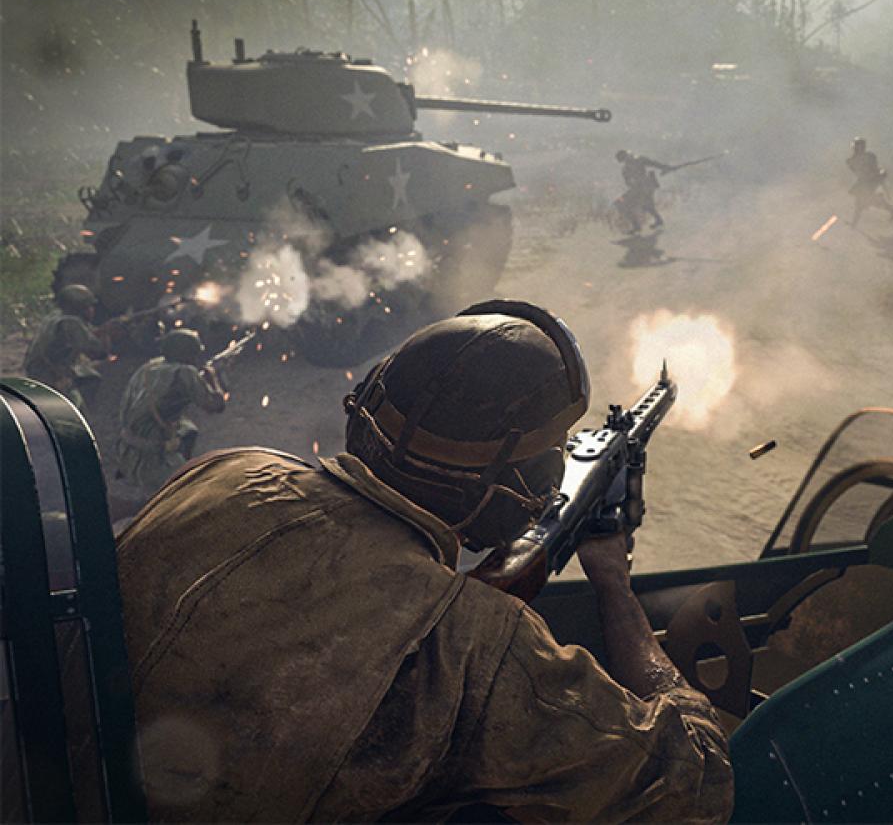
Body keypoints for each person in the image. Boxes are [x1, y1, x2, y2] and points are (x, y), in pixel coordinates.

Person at [115, 301, 733, 822]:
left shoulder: (227, 470)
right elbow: (698, 783)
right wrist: (613, 582)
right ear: (519, 489)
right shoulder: (475, 641)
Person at [112, 328, 226, 492]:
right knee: (189, 490)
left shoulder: (149, 367)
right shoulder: (185, 372)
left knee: (188, 429)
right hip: (152, 453)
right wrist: (213, 378)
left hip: (128, 445)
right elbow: (216, 406)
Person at [22, 283, 106, 406]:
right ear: (79, 308)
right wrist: (107, 336)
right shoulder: (71, 322)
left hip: (37, 370)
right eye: (88, 306)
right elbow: (97, 352)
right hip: (51, 375)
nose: (92, 310)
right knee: (91, 381)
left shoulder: (54, 317)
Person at [846, 137, 893, 226]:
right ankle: (891, 209)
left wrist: (878, 177)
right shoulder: (851, 160)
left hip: (871, 180)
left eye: (861, 146)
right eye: (857, 146)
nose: (859, 148)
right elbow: (856, 171)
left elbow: (874, 168)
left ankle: (854, 224)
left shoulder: (870, 156)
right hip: (864, 181)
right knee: (864, 201)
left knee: (863, 200)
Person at [615, 149, 669, 233]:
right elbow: (628, 182)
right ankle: (641, 225)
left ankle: (640, 225)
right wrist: (632, 184)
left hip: (646, 186)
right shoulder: (625, 169)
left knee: (645, 204)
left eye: (625, 157)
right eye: (623, 159)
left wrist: (664, 167)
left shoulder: (638, 159)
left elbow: (653, 163)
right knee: (620, 203)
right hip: (639, 188)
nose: (626, 160)